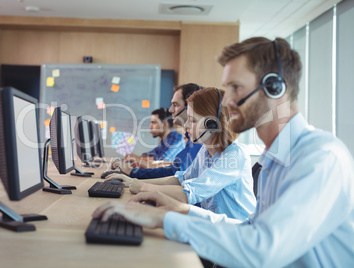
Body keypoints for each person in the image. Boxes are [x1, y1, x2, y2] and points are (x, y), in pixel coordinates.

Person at [93, 37, 354, 267]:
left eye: (236, 88)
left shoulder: (319, 158)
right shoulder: (275, 159)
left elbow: (261, 250)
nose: (226, 101)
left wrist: (168, 220)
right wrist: (176, 212)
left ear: (276, 88)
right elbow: (249, 229)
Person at [106, 87, 256, 221]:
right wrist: (134, 181)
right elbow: (181, 179)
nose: (185, 126)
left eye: (191, 120)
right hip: (213, 231)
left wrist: (142, 187)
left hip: (237, 237)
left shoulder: (235, 155)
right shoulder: (205, 151)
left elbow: (190, 193)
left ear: (212, 124)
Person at [115, 83, 203, 179]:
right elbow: (168, 165)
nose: (170, 110)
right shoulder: (189, 137)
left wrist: (135, 173)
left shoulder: (184, 139)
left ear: (189, 107)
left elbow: (171, 169)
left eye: (175, 105)